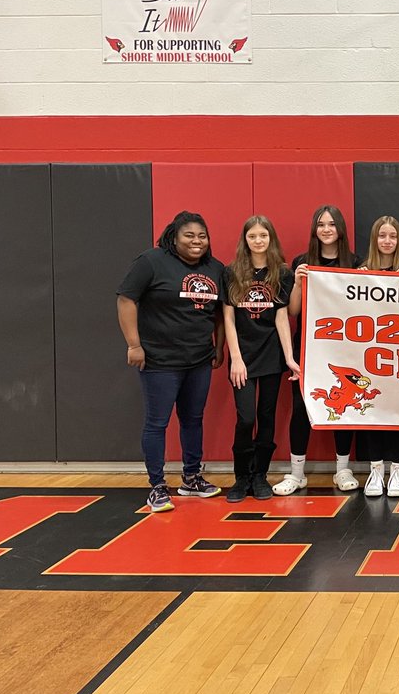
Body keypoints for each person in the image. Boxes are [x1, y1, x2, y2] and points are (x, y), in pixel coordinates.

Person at [117, 210, 225, 513]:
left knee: (193, 419)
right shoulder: (151, 262)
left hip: (199, 359)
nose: (197, 241)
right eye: (189, 235)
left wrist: (219, 346)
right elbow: (126, 299)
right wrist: (133, 344)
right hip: (160, 360)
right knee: (157, 423)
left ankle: (191, 478)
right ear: (174, 237)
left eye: (202, 235)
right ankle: (157, 486)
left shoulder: (215, 268)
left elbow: (219, 313)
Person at [274, 206, 361, 497]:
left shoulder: (354, 262)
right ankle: (297, 473)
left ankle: (342, 469)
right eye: (321, 224)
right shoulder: (302, 262)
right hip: (309, 347)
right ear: (315, 230)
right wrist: (298, 282)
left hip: (345, 348)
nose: (326, 229)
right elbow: (294, 310)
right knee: (302, 408)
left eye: (331, 224)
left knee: (343, 405)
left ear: (340, 229)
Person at [222, 216, 301, 503]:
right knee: (246, 418)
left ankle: (260, 476)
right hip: (243, 355)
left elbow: (282, 318)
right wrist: (236, 359)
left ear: (271, 239)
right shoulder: (231, 273)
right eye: (253, 236)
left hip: (271, 354)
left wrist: (289, 359)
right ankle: (242, 476)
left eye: (263, 236)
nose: (258, 240)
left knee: (266, 416)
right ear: (245, 240)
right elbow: (228, 319)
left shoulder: (281, 273)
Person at [359, 215, 399, 497]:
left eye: (392, 236)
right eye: (382, 235)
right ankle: (375, 470)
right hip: (369, 355)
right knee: (372, 410)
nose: (387, 241)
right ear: (374, 239)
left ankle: (397, 471)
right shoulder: (359, 273)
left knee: (398, 412)